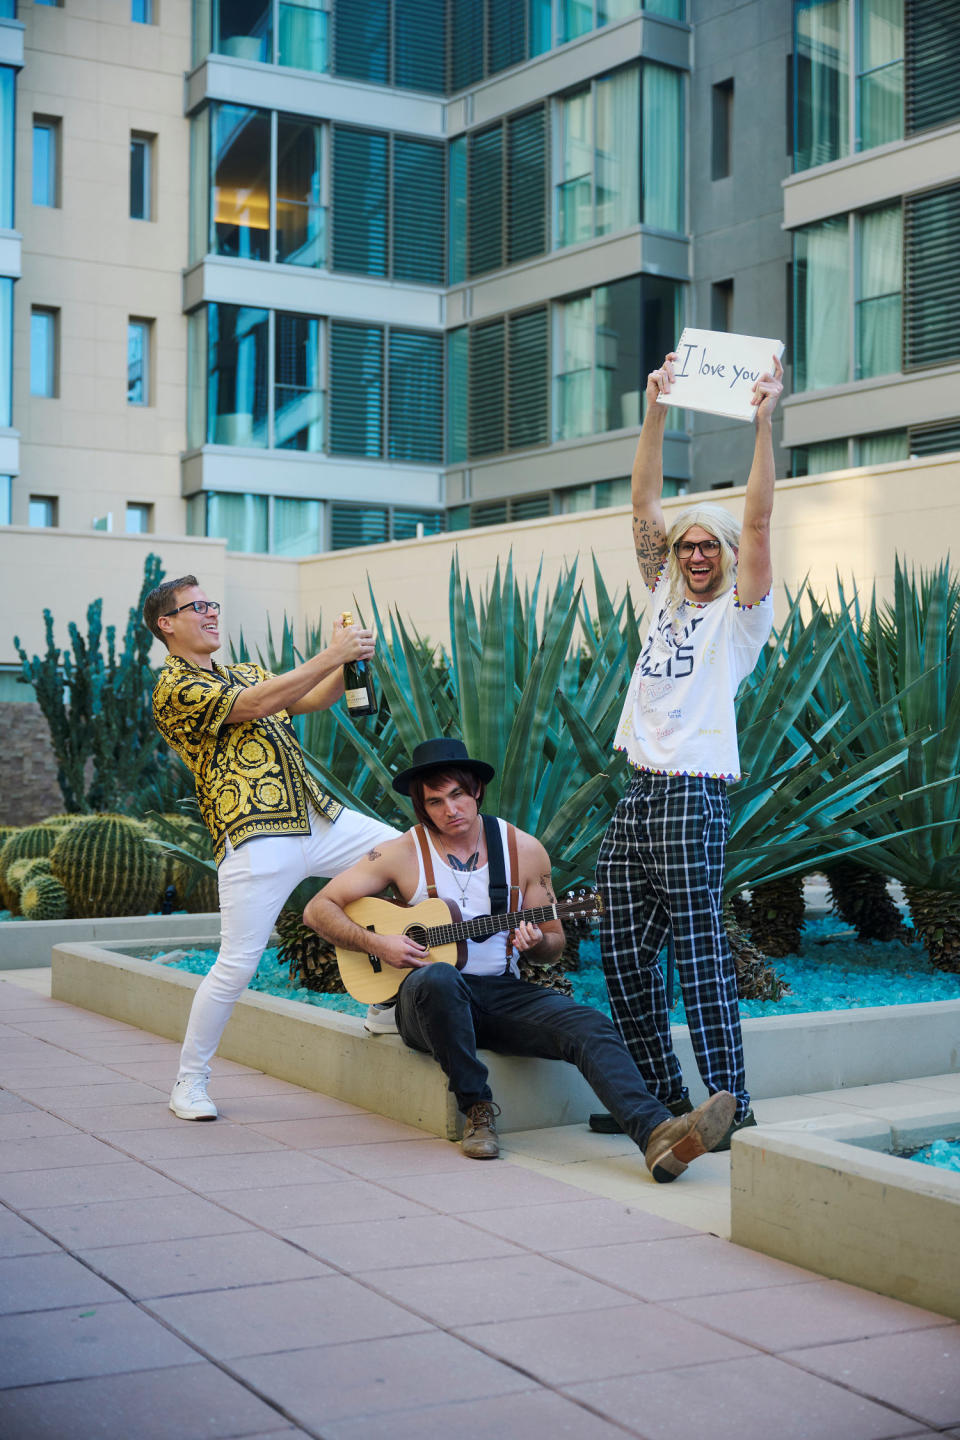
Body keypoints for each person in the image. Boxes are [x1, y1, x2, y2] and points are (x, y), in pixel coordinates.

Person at [303, 737, 735, 1182]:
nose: (450, 810)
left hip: (498, 995)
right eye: (435, 801)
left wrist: (535, 944)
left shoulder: (523, 851)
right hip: (422, 1002)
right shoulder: (400, 852)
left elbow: (554, 944)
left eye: (458, 795)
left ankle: (657, 1135)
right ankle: (477, 1111)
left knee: (588, 1024)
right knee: (440, 979)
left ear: (476, 792)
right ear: (422, 806)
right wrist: (380, 946)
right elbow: (318, 908)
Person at [594, 350, 784, 1149]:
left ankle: (730, 1101)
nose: (698, 554)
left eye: (710, 546)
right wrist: (658, 409)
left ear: (728, 560)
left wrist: (765, 423)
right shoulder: (662, 599)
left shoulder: (741, 618)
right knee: (621, 947)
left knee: (699, 945)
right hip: (638, 791)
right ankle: (670, 1101)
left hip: (692, 789)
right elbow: (643, 500)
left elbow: (759, 521)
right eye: (687, 546)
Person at [143, 575, 400, 1121]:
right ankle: (189, 1082)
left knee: (409, 857)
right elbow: (258, 703)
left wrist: (346, 660)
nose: (212, 613)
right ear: (167, 625)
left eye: (213, 603)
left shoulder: (245, 671)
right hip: (255, 837)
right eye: (198, 607)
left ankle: (386, 1001)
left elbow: (309, 697)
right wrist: (331, 653)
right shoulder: (173, 687)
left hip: (320, 820)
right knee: (236, 965)